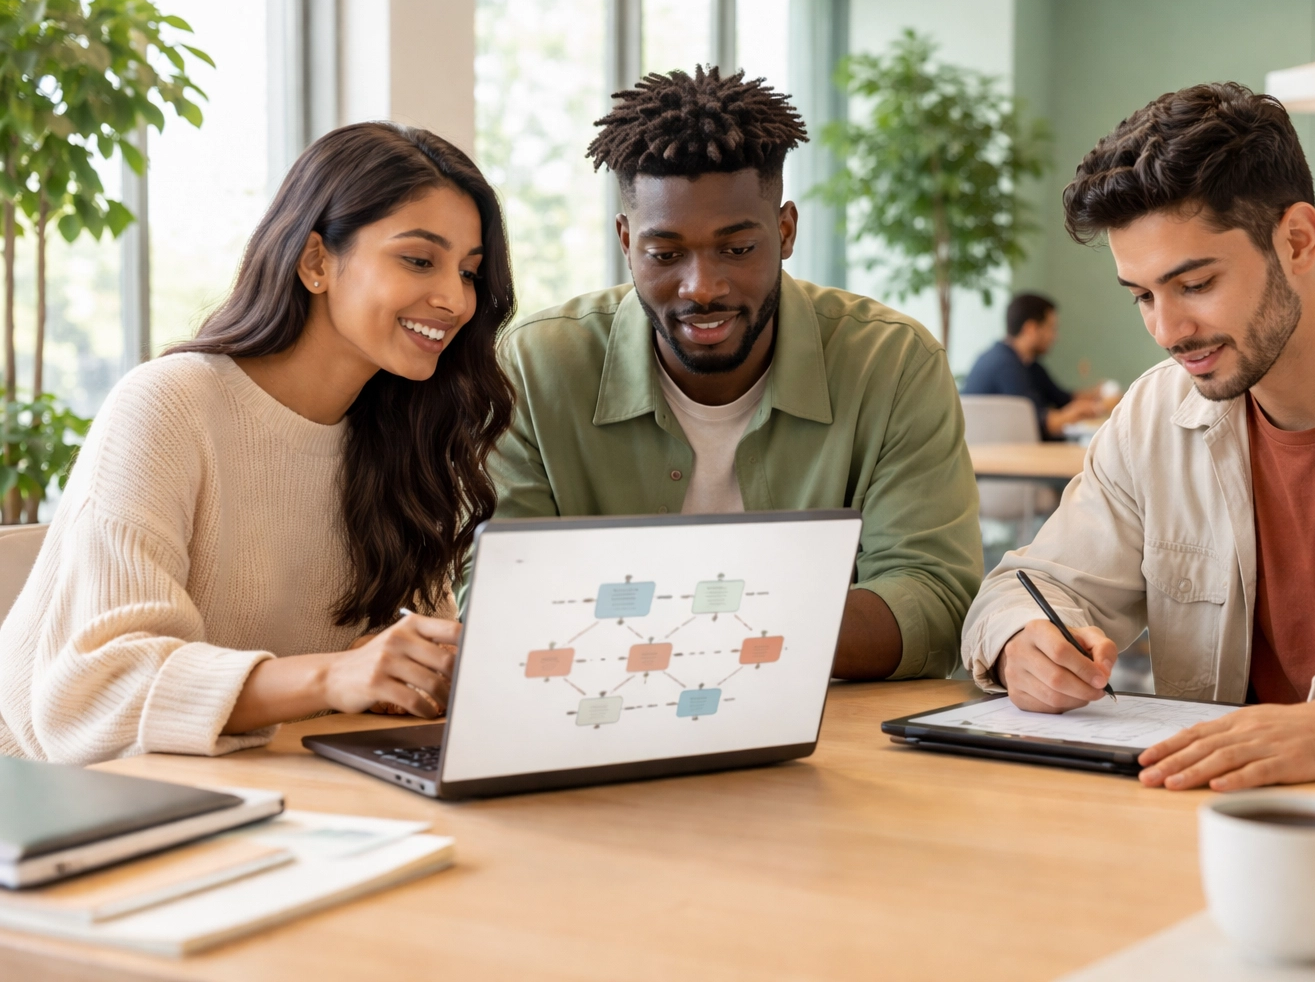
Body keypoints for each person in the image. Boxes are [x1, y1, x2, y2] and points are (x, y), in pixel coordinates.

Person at [961, 82, 1315, 790]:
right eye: (1143, 296)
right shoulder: (1151, 417)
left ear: (1297, 240)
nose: (1167, 332)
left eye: (1195, 284)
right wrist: (1022, 641)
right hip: (1201, 822)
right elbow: (1030, 584)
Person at [0, 123, 516, 764]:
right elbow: (99, 693)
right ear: (316, 261)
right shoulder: (170, 405)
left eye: (469, 272)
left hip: (274, 791)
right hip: (56, 809)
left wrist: (409, 674)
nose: (454, 300)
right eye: (418, 259)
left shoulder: (405, 433)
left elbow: (393, 671)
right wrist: (331, 676)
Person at [493, 67, 982, 681]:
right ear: (626, 241)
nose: (703, 287)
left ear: (784, 232)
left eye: (738, 248)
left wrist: (695, 634)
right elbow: (500, 598)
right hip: (593, 713)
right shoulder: (536, 368)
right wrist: (751, 626)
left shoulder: (894, 363)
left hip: (825, 739)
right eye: (665, 254)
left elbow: (935, 598)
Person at [963, 291, 1103, 439]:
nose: (1055, 337)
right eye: (1051, 328)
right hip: (998, 456)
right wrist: (1086, 410)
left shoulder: (1029, 365)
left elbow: (1062, 398)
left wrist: (1097, 396)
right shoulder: (1005, 365)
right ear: (1030, 328)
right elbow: (1040, 421)